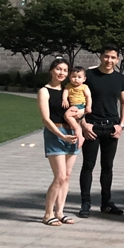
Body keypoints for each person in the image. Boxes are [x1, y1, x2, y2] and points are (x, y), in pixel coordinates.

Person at [79, 44, 124, 218]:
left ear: (117, 60)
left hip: (111, 128)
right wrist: (83, 124)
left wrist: (121, 125)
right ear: (101, 57)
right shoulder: (90, 76)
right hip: (91, 127)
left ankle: (106, 203)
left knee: (107, 167)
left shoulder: (120, 78)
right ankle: (85, 203)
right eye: (106, 56)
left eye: (113, 57)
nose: (109, 60)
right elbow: (78, 99)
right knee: (88, 165)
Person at [38, 58, 80, 226]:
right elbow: (46, 119)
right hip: (55, 133)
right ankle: (48, 214)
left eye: (65, 70)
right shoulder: (44, 91)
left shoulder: (68, 90)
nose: (61, 73)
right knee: (60, 176)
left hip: (71, 132)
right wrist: (61, 136)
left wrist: (79, 126)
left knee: (67, 176)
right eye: (58, 69)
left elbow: (79, 108)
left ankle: (60, 212)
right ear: (51, 70)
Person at [61, 66, 92, 148]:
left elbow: (88, 97)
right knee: (76, 121)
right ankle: (77, 137)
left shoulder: (84, 87)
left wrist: (88, 106)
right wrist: (65, 100)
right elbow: (65, 93)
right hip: (73, 106)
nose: (76, 79)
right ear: (70, 77)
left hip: (80, 105)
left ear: (84, 79)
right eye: (73, 77)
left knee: (67, 115)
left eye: (79, 77)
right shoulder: (68, 86)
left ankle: (78, 132)